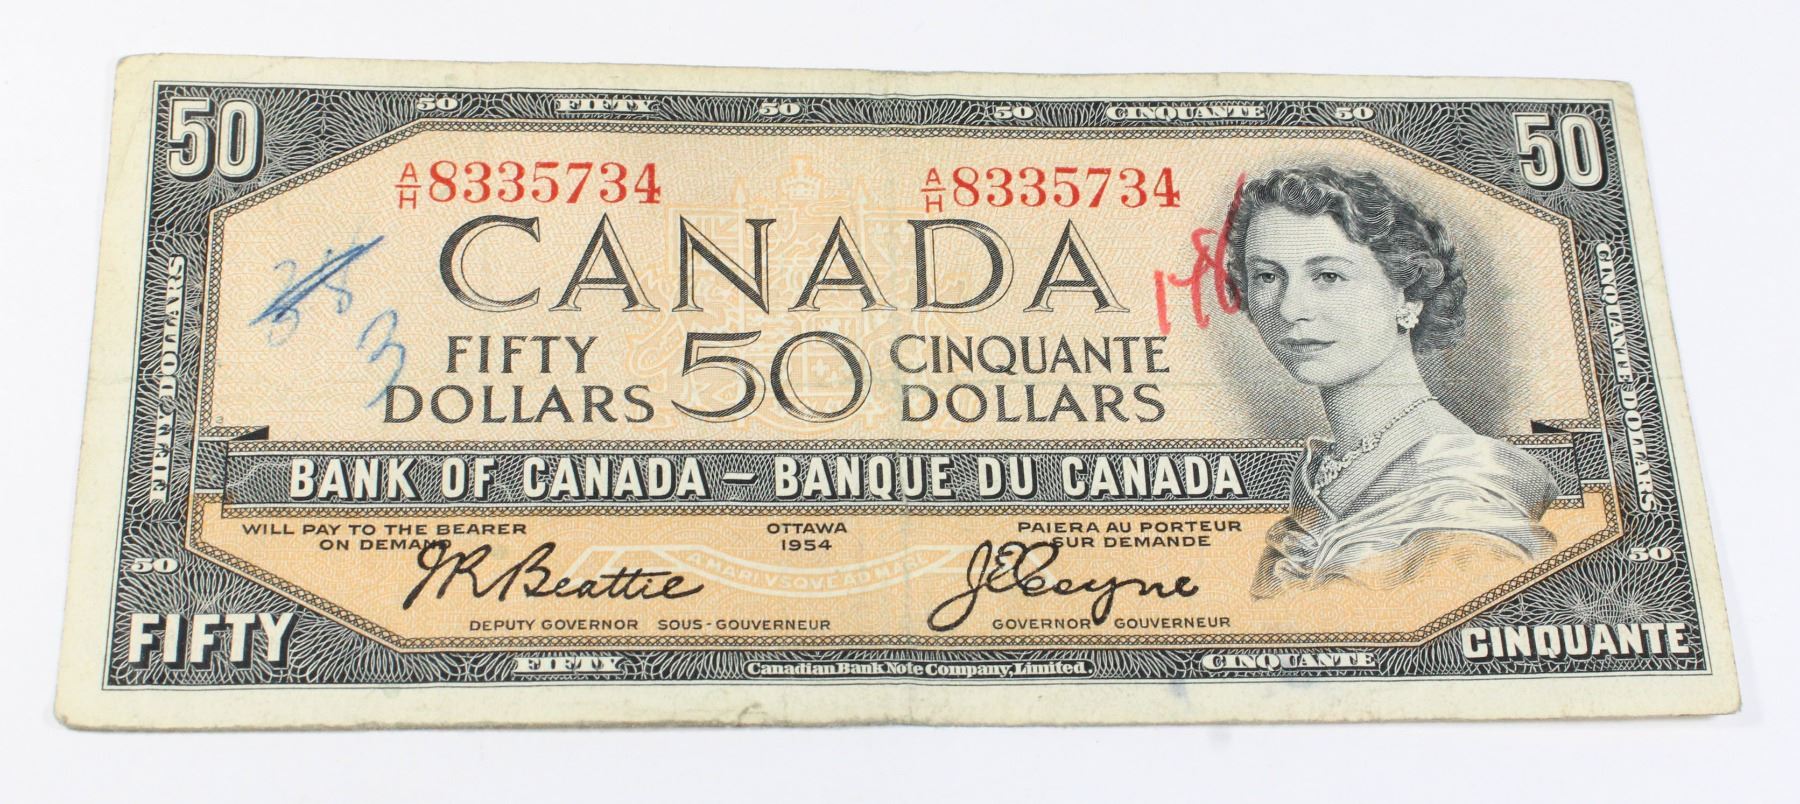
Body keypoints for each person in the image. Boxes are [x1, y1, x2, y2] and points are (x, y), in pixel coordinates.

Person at [1227, 166, 1559, 598]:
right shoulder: (1324, 472)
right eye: (1268, 276)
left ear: (1409, 295)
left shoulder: (1461, 496)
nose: (1290, 309)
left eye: (1328, 276)